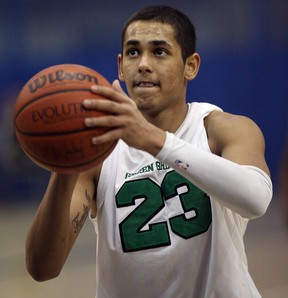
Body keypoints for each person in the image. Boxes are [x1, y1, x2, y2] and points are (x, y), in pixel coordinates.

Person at [25, 5, 273, 298]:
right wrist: (65, 163)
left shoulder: (222, 130)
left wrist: (152, 140)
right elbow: (43, 268)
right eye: (133, 52)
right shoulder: (97, 155)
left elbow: (256, 201)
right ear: (120, 66)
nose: (143, 63)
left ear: (190, 66)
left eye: (159, 52)